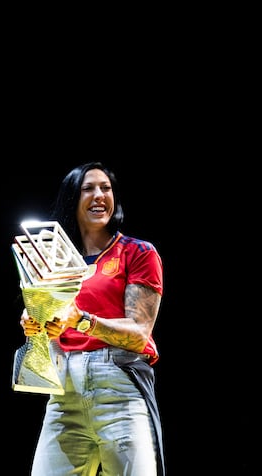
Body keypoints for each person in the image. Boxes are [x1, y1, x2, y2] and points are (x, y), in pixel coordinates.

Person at [19, 162, 165, 475]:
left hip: (120, 392)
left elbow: (140, 332)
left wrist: (82, 319)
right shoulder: (53, 260)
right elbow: (50, 324)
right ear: (72, 197)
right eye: (89, 188)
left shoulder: (137, 252)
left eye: (106, 188)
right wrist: (36, 322)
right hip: (64, 394)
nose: (99, 195)